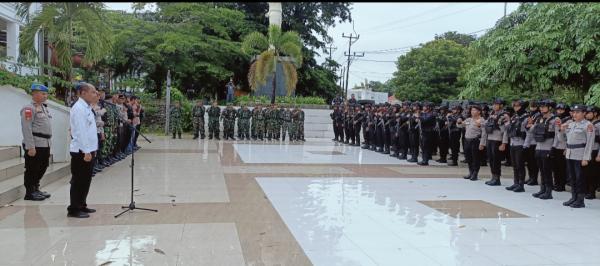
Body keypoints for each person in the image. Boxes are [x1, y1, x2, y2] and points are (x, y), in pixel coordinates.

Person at [68, 83, 99, 218]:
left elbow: (90, 130)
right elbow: (80, 132)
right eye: (92, 92)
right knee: (79, 180)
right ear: (82, 93)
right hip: (81, 151)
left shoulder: (86, 107)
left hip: (88, 150)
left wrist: (93, 149)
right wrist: (86, 151)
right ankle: (74, 208)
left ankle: (82, 204)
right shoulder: (78, 108)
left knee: (86, 180)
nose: (95, 94)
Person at [558, 104, 595, 208]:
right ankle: (573, 197)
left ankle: (580, 200)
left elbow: (590, 143)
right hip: (570, 154)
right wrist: (561, 130)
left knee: (580, 178)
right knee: (572, 178)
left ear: (584, 113)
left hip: (580, 155)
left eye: (577, 112)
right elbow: (562, 140)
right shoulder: (571, 124)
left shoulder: (588, 125)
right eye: (573, 112)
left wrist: (586, 158)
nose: (575, 114)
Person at [20, 83, 53, 201]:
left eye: (46, 94)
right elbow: (26, 128)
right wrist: (30, 147)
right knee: (32, 168)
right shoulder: (29, 109)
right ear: (34, 94)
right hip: (35, 143)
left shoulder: (44, 107)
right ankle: (29, 192)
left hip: (45, 143)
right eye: (43, 93)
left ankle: (36, 188)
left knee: (43, 166)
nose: (45, 96)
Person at [526, 99, 557, 199]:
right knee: (542, 170)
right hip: (538, 147)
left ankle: (548, 192)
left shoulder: (554, 120)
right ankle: (542, 189)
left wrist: (553, 148)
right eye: (541, 107)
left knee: (547, 171)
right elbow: (531, 130)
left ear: (550, 108)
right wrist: (530, 125)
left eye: (544, 107)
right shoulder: (539, 118)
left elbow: (557, 135)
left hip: (548, 148)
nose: (542, 108)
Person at [481, 98, 508, 186]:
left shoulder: (504, 115)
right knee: (491, 159)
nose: (494, 106)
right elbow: (485, 125)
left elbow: (505, 131)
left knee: (496, 160)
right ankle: (493, 177)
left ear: (501, 105)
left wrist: (503, 143)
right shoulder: (491, 114)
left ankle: (497, 178)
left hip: (498, 139)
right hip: (490, 139)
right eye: (494, 104)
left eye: (496, 104)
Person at [504, 99, 529, 192]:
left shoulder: (526, 117)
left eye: (517, 106)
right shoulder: (514, 116)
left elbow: (528, 133)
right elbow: (508, 127)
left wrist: (526, 145)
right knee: (514, 165)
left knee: (520, 165)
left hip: (521, 143)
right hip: (513, 143)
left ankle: (521, 185)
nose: (515, 108)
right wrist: (507, 121)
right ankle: (516, 183)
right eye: (514, 106)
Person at [458, 104, 484, 181]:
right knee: (468, 157)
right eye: (472, 110)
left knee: (476, 158)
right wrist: (459, 122)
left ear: (479, 112)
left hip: (475, 140)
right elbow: (460, 126)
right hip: (467, 140)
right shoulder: (469, 120)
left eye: (474, 110)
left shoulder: (481, 120)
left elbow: (484, 132)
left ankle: (475, 173)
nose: (472, 111)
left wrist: (482, 143)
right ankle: (471, 172)